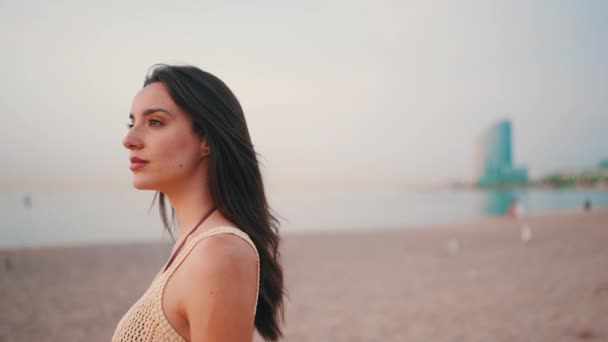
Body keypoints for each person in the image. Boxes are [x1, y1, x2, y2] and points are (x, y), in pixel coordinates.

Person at [112, 64, 284, 342]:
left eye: (155, 122)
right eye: (132, 123)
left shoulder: (219, 252)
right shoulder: (195, 244)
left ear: (206, 139)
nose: (129, 139)